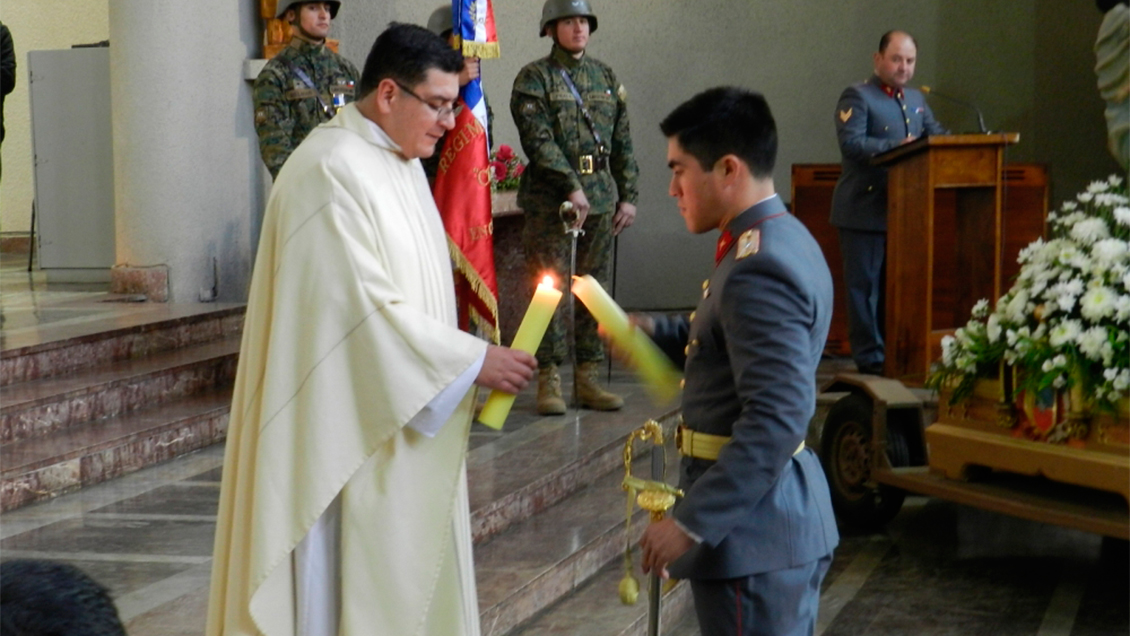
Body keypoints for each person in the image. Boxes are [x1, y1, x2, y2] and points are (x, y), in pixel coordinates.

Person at [207, 23, 536, 636]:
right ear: (388, 94)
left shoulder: (400, 160)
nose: (449, 123)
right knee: (340, 600)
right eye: (438, 105)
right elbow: (355, 316)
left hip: (397, 418)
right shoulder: (329, 170)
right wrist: (470, 362)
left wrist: (459, 364)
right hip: (337, 443)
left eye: (452, 106)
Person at [634, 87, 839, 636]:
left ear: (728, 169)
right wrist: (652, 333)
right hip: (764, 528)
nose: (672, 189)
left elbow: (777, 417)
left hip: (754, 535)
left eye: (679, 170)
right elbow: (728, 340)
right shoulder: (775, 236)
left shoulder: (757, 267)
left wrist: (690, 523)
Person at [511, 0, 639, 415]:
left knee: (593, 290)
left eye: (583, 21)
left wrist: (628, 195)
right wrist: (571, 186)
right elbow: (538, 141)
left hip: (599, 199)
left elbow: (622, 141)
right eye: (568, 21)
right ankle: (548, 378)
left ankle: (588, 378)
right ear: (550, 29)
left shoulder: (605, 77)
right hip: (551, 202)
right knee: (547, 290)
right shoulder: (535, 78)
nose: (578, 28)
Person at [830, 30, 947, 375]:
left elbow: (935, 135)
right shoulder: (858, 95)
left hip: (904, 212)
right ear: (878, 59)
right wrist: (896, 147)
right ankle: (871, 359)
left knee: (895, 289)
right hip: (863, 209)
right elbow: (852, 144)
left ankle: (896, 355)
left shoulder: (915, 98)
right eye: (896, 59)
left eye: (910, 61)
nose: (903, 67)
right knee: (864, 291)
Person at [253, 0, 360, 179]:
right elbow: (275, 150)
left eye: (327, 8)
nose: (323, 15)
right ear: (291, 15)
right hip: (303, 185)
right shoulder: (275, 75)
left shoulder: (345, 69)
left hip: (347, 182)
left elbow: (363, 130)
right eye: (313, 8)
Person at [421, 4, 493, 184]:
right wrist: (453, 83)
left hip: (465, 181)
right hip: (429, 179)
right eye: (459, 40)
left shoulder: (472, 88)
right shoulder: (420, 78)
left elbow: (484, 137)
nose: (465, 48)